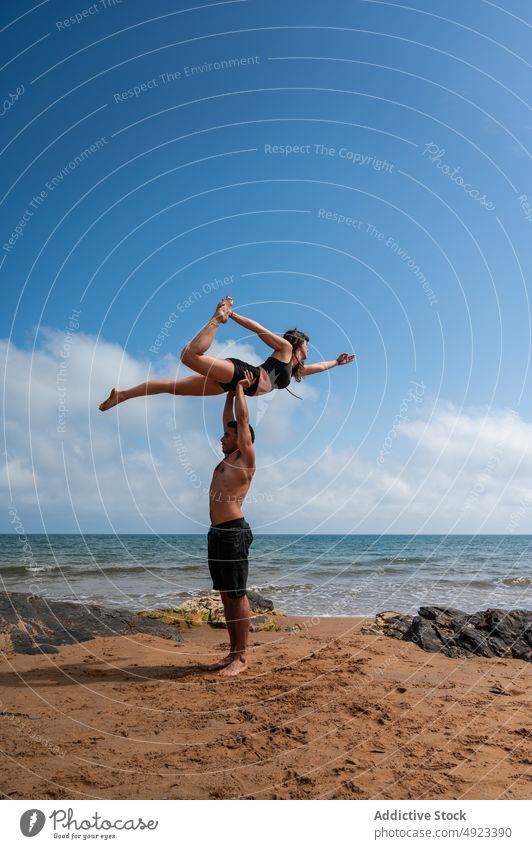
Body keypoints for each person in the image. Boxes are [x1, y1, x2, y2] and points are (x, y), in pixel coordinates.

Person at [98, 296, 355, 410]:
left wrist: (337, 362)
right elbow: (259, 329)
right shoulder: (286, 349)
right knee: (188, 357)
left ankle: (123, 395)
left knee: (173, 387)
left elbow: (318, 368)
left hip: (232, 386)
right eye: (307, 346)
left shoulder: (295, 367)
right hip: (244, 373)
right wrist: (231, 316)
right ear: (298, 344)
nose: (309, 351)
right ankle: (216, 320)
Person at [206, 369, 256, 676]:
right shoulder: (226, 459)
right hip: (216, 533)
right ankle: (231, 653)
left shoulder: (245, 458)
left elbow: (242, 421)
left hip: (233, 534)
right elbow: (231, 420)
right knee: (225, 596)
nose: (222, 436)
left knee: (237, 596)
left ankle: (242, 657)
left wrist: (239, 390)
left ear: (241, 438)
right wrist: (227, 393)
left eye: (228, 434)